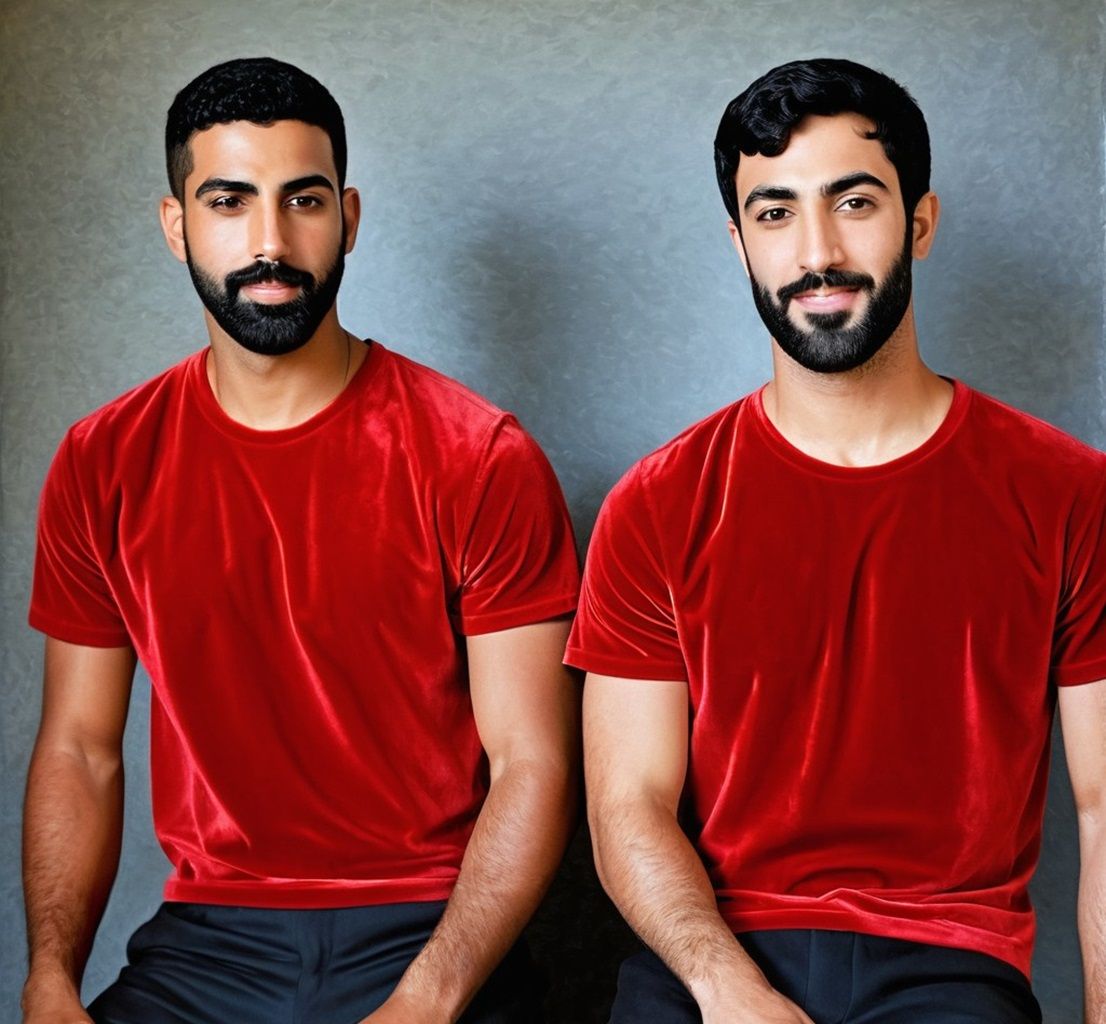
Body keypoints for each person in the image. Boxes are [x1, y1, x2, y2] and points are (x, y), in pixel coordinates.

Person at [22, 56, 580, 1024]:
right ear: (176, 224)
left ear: (349, 218)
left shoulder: (478, 454)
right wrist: (49, 978)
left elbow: (532, 760)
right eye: (229, 201)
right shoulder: (102, 458)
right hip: (208, 945)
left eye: (304, 201)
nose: (270, 241)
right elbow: (79, 748)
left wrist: (428, 998)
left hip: (428, 928)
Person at [568, 57, 1106, 1023]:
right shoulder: (656, 503)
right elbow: (627, 808)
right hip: (710, 956)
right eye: (775, 212)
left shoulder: (1070, 493)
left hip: (949, 963)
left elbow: (1105, 812)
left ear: (922, 222)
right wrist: (727, 989)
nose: (816, 250)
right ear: (739, 244)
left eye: (853, 201)